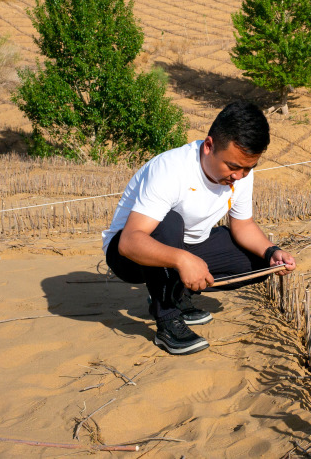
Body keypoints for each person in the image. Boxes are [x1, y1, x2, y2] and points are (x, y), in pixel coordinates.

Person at [102, 100, 296, 355]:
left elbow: (243, 225)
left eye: (249, 168)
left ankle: (173, 290)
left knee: (261, 263)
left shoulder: (241, 174)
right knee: (169, 220)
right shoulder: (171, 169)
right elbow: (130, 242)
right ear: (208, 146)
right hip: (129, 255)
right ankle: (167, 318)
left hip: (185, 246)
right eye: (233, 166)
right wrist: (182, 260)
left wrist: (272, 252)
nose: (239, 175)